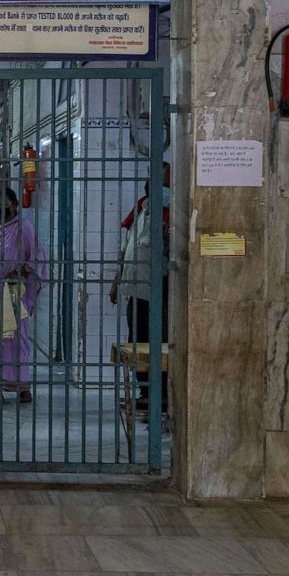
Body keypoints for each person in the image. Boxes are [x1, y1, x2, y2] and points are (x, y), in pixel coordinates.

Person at [0, 187, 47, 406]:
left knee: (14, 337)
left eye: (2, 206)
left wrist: (22, 270)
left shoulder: (24, 229)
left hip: (12, 291)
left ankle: (22, 385)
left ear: (13, 205)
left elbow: (37, 260)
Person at [109, 162, 171, 413]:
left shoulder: (172, 215)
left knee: (157, 342)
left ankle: (160, 395)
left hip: (159, 293)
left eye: (164, 181)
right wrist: (116, 282)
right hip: (135, 289)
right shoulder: (141, 209)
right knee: (136, 342)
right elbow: (126, 250)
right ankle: (145, 392)